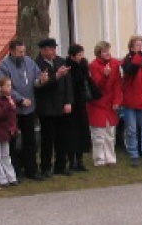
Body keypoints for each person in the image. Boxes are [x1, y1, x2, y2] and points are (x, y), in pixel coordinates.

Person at [0, 40, 42, 181]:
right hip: (12, 109)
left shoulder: (29, 61)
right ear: (12, 51)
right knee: (12, 142)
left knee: (30, 140)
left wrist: (42, 80)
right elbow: (5, 87)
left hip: (29, 109)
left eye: (24, 51)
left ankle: (32, 170)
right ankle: (15, 171)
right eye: (20, 52)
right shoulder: (4, 66)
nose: (23, 54)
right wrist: (20, 99)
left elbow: (36, 78)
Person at [33, 38, 73, 178]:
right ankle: (45, 167)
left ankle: (61, 165)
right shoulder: (37, 64)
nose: (53, 52)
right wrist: (56, 76)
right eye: (50, 49)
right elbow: (42, 86)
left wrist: (68, 101)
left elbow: (68, 83)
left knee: (62, 138)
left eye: (54, 49)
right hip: (47, 107)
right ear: (43, 50)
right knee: (47, 139)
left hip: (61, 105)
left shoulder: (61, 61)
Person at [117, 36, 142, 167]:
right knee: (132, 130)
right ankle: (134, 155)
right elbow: (130, 71)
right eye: (138, 45)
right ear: (131, 47)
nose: (141, 47)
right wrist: (139, 55)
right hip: (130, 101)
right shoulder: (126, 61)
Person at [87, 41, 121, 167]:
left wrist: (117, 100)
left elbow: (117, 84)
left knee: (110, 133)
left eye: (108, 51)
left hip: (110, 103)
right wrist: (105, 76)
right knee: (98, 134)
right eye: (104, 51)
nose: (107, 53)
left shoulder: (115, 63)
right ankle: (99, 159)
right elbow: (96, 86)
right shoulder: (94, 65)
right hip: (98, 103)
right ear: (99, 53)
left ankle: (111, 158)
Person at [64, 44, 92, 173]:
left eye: (82, 54)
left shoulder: (83, 66)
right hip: (70, 104)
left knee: (82, 132)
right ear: (72, 56)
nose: (82, 57)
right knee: (71, 133)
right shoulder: (67, 67)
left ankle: (80, 160)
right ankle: (71, 161)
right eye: (79, 55)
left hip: (81, 103)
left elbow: (87, 82)